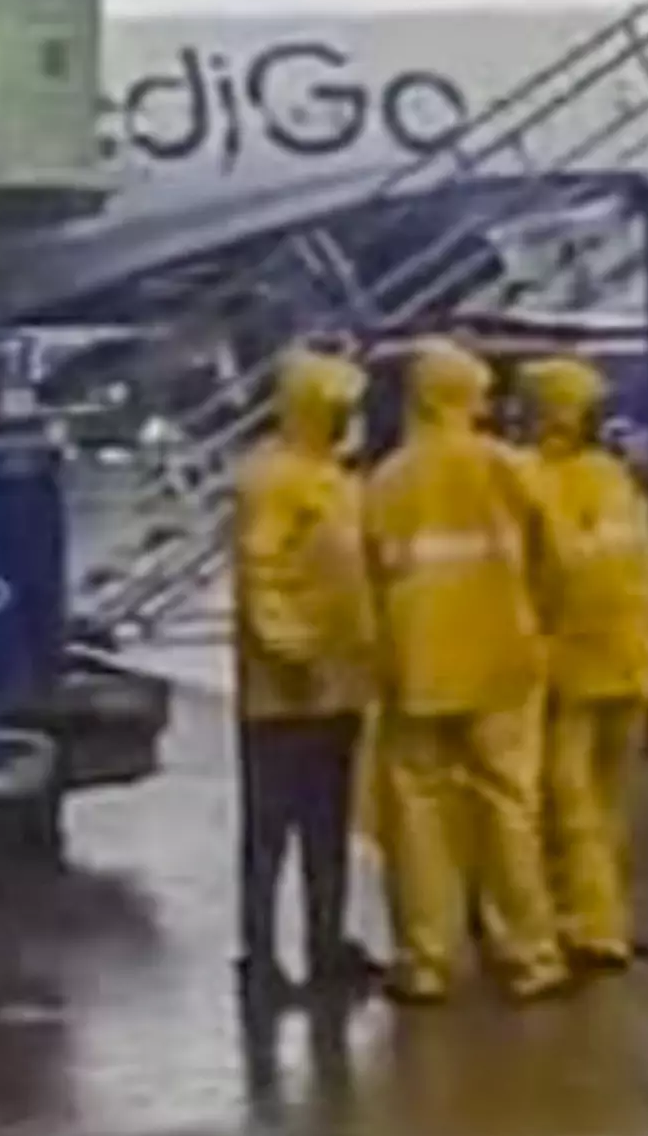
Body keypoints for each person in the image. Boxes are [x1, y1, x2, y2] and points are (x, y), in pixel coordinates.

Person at [362, 339, 569, 1004]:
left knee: (418, 812)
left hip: (417, 662)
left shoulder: (389, 479)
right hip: (503, 657)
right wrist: (539, 624)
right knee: (510, 804)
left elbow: (364, 576)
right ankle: (530, 954)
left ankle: (426, 959)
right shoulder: (509, 467)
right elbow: (557, 560)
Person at [517, 351, 648, 974]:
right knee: (595, 802)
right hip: (621, 655)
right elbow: (640, 556)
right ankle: (596, 920)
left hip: (578, 662)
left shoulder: (531, 478)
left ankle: (593, 920)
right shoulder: (609, 479)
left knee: (580, 802)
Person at [232, 347, 382, 1003]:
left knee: (327, 828)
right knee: (272, 832)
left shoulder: (336, 480)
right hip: (285, 691)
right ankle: (259, 957)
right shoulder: (273, 480)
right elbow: (258, 572)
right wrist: (289, 652)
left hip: (338, 682)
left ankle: (326, 943)